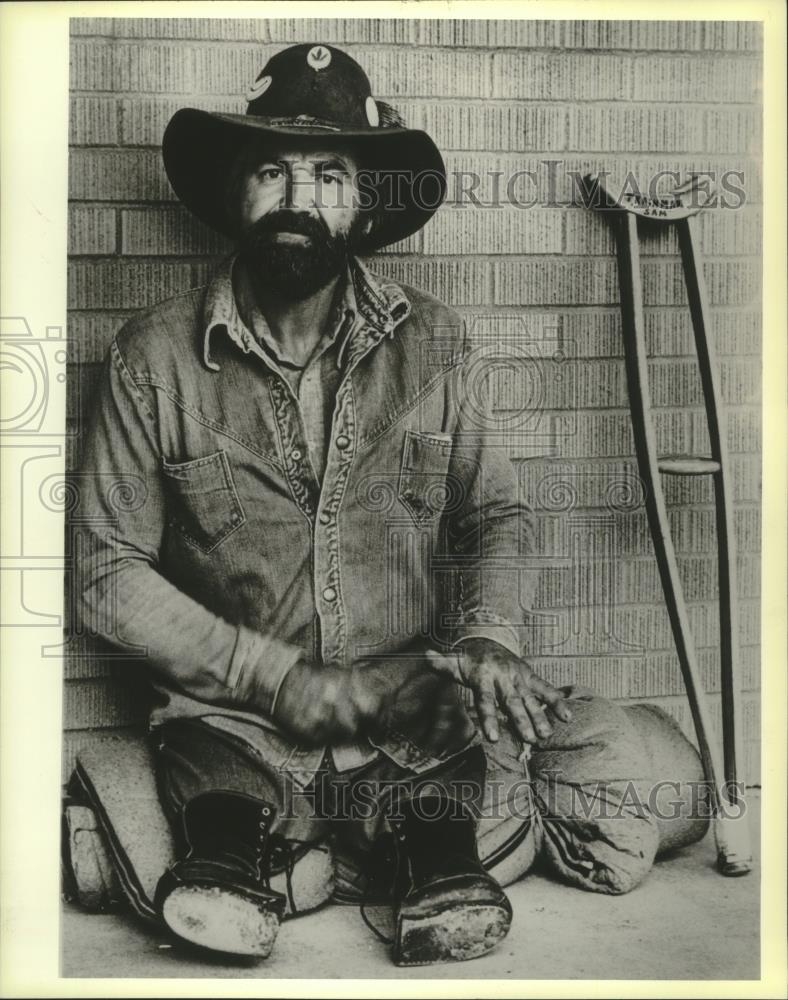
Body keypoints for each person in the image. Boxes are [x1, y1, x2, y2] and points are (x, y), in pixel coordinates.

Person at [76, 43, 704, 968]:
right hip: (233, 720)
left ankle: (403, 866)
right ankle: (242, 861)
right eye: (271, 170)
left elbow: (498, 517)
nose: (298, 196)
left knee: (471, 826)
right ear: (233, 192)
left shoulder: (440, 347)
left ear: (366, 203)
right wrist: (272, 675)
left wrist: (491, 637)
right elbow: (104, 571)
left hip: (410, 719)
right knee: (213, 832)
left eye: (330, 174)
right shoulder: (151, 359)